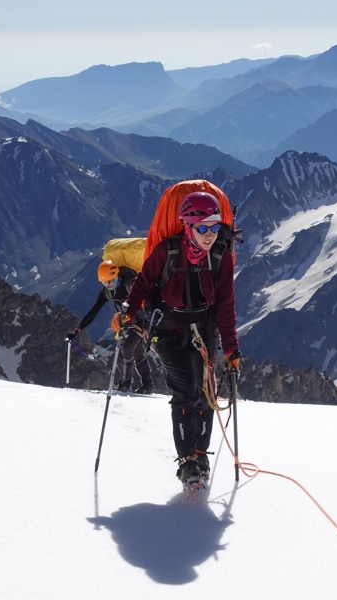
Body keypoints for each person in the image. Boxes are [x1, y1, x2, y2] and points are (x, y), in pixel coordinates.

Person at [111, 191, 240, 490]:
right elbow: (143, 282)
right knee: (185, 390)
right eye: (203, 228)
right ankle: (187, 463)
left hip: (204, 329)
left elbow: (226, 303)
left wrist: (232, 348)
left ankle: (199, 454)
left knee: (207, 392)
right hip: (168, 330)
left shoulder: (220, 256)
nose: (210, 235)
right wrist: (129, 311)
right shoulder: (167, 251)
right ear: (187, 225)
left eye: (215, 227)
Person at [67, 260, 154, 394]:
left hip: (143, 318)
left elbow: (144, 301)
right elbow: (93, 311)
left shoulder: (130, 283)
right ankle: (148, 385)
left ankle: (124, 386)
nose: (109, 285)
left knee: (127, 348)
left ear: (117, 275)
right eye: (105, 283)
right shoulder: (106, 293)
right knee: (136, 350)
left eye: (111, 282)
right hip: (130, 319)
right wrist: (77, 330)